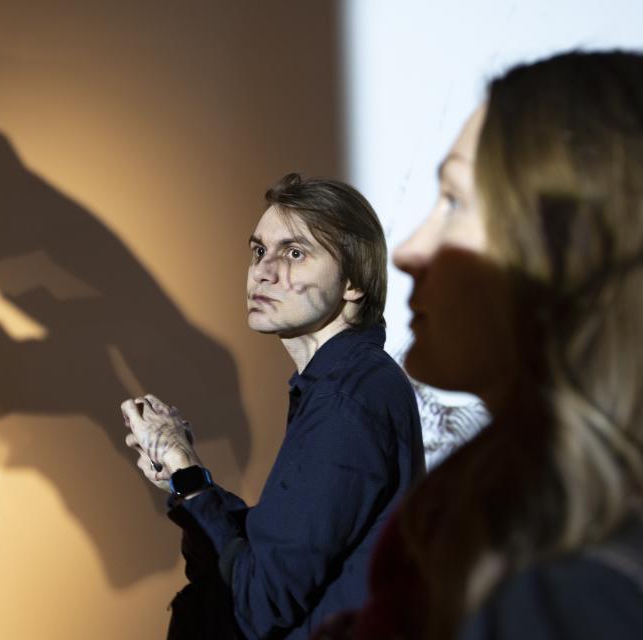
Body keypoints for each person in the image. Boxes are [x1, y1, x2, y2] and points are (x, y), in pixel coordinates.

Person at [318, 50, 643, 640]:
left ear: (573, 253)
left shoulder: (580, 603)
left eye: (453, 200)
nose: (409, 249)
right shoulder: (480, 525)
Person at [121, 173, 425, 639]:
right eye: (259, 250)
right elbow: (270, 552)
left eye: (295, 253)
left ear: (353, 282)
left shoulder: (347, 399)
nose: (263, 270)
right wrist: (186, 478)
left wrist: (187, 470)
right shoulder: (342, 386)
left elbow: (258, 604)